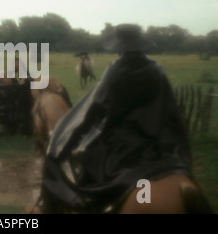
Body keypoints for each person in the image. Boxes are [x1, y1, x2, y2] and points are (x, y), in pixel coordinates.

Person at [39, 23, 196, 213]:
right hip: (157, 143)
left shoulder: (115, 71)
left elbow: (92, 109)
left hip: (119, 144)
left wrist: (67, 130)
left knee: (64, 160)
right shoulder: (157, 70)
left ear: (119, 47)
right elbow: (169, 112)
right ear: (142, 45)